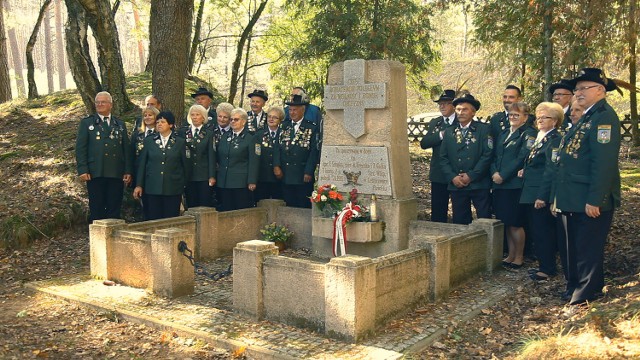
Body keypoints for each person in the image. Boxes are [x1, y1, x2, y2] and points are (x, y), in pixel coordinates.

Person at [553, 68, 621, 305]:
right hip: (574, 195)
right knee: (576, 245)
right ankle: (578, 286)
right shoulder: (589, 116)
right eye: (577, 89)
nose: (578, 93)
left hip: (589, 198)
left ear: (600, 90)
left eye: (584, 88)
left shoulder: (604, 117)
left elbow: (604, 163)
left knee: (587, 247)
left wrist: (597, 199)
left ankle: (584, 294)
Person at [519, 102, 563, 280]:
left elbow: (550, 170)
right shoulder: (542, 137)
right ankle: (544, 265)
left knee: (543, 232)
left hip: (539, 193)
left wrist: (542, 196)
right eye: (538, 117)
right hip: (531, 191)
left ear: (555, 120)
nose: (540, 120)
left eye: (545, 117)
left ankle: (547, 268)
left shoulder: (554, 140)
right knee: (537, 231)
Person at [491, 101, 536, 269]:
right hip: (499, 184)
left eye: (516, 115)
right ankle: (510, 254)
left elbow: (522, 157)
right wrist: (494, 172)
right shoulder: (504, 133)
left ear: (525, 117)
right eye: (510, 114)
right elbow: (495, 156)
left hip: (514, 184)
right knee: (506, 222)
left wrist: (503, 175)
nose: (512, 117)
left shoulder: (528, 134)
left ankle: (519, 256)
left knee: (516, 222)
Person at [75, 91, 132, 222]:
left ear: (110, 104)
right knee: (97, 206)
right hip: (95, 172)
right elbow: (81, 148)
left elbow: (126, 149)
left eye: (103, 102)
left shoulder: (119, 124)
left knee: (114, 206)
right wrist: (83, 169)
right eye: (97, 102)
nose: (100, 104)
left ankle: (114, 237)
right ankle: (98, 238)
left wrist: (128, 170)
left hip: (115, 172)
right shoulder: (87, 123)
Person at [440, 93, 493, 225]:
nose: (461, 112)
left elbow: (488, 155)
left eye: (465, 109)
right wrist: (453, 177)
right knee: (460, 221)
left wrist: (471, 175)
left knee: (484, 220)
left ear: (473, 112)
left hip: (478, 183)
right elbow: (443, 157)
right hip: (457, 184)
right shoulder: (450, 132)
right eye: (458, 109)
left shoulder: (484, 130)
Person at [133, 111, 188, 220]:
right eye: (157, 122)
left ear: (171, 125)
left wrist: (182, 184)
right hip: (152, 187)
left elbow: (185, 166)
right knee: (153, 218)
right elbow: (142, 164)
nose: (159, 124)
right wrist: (139, 184)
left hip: (172, 188)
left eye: (163, 122)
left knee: (170, 219)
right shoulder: (149, 141)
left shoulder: (180, 142)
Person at [274, 94, 319, 208]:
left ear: (302, 110)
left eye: (295, 110)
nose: (292, 112)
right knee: (287, 205)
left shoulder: (311, 127)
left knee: (302, 205)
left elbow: (314, 151)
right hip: (285, 174)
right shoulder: (284, 126)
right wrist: (276, 165)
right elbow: (276, 147)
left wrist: (309, 171)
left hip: (302, 174)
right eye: (290, 110)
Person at [420, 89, 458, 222]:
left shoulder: (461, 121)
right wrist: (440, 135)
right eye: (440, 103)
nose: (442, 106)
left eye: (446, 103)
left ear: (454, 105)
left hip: (457, 172)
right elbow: (424, 143)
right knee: (437, 212)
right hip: (439, 173)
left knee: (459, 213)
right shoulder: (435, 123)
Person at [216, 108, 260, 211]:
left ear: (244, 121)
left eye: (236, 119)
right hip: (224, 181)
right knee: (226, 211)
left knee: (241, 211)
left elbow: (254, 161)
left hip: (241, 183)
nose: (232, 122)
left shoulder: (251, 138)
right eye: (231, 119)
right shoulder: (225, 136)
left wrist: (252, 181)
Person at [179, 104, 216, 209]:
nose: (194, 117)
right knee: (191, 204)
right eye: (192, 115)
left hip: (203, 175)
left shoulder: (209, 134)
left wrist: (212, 176)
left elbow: (211, 155)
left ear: (203, 117)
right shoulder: (183, 132)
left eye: (197, 114)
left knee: (204, 204)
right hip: (189, 174)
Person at [131, 106, 159, 220]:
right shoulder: (137, 134)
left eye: (150, 115)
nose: (147, 117)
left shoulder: (161, 134)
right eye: (145, 115)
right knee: (144, 205)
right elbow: (131, 153)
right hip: (140, 174)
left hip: (155, 174)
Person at [255, 106, 285, 202]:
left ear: (280, 120)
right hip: (263, 176)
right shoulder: (259, 134)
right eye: (269, 116)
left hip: (279, 177)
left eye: (275, 117)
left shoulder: (284, 134)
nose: (271, 119)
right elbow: (256, 155)